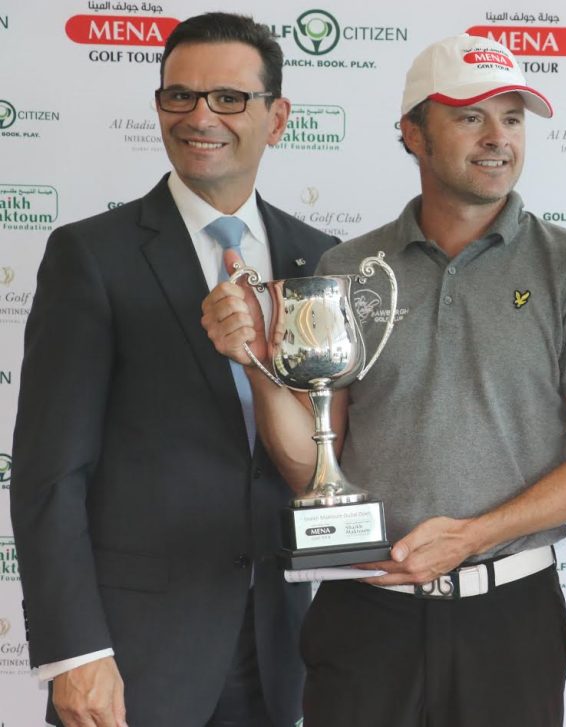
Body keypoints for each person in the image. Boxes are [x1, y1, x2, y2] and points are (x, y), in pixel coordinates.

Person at [203, 33, 566, 727]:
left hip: (510, 619)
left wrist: (472, 535)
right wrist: (252, 364)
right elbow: (313, 466)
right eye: (470, 116)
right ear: (412, 132)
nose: (498, 138)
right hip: (363, 612)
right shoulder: (347, 264)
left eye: (514, 117)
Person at [11, 12, 336, 727]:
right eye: (179, 96)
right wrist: (75, 654)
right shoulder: (92, 256)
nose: (199, 116)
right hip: (133, 658)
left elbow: (327, 456)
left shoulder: (321, 259)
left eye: (228, 98)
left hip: (279, 647)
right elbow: (48, 476)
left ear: (277, 118)